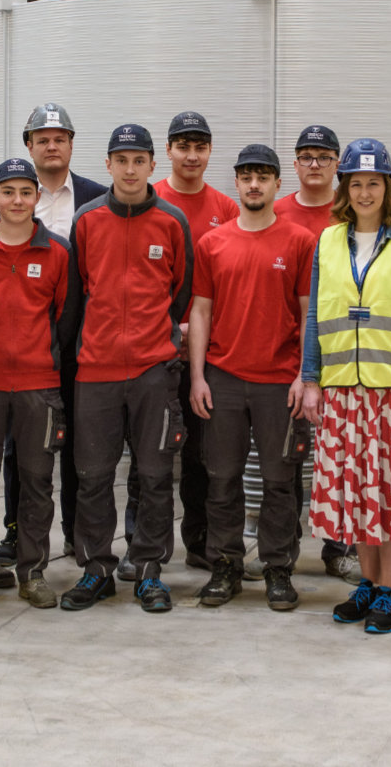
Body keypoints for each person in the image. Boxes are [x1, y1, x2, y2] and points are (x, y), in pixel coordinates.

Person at [300, 138, 391, 636]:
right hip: (343, 391)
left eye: (373, 184)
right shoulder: (327, 242)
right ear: (345, 188)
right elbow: (316, 314)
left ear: (388, 187)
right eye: (356, 184)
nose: (364, 193)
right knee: (358, 494)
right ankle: (366, 582)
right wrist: (311, 378)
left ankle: (388, 590)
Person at [60, 123, 192, 613]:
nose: (131, 169)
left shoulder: (173, 222)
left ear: (153, 166)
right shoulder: (88, 220)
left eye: (140, 160)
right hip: (94, 372)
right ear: (109, 165)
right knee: (92, 475)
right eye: (122, 160)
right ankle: (96, 568)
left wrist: (154, 341)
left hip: (154, 371)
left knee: (155, 474)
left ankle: (150, 570)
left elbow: (179, 294)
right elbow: (74, 296)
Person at [187, 144, 316, 610]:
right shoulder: (212, 243)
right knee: (222, 478)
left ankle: (279, 567)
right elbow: (201, 311)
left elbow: (308, 314)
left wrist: (305, 374)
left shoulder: (300, 241)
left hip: (279, 382)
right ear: (237, 184)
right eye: (246, 177)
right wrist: (197, 377)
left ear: (278, 184)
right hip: (223, 377)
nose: (255, 184)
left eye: (264, 176)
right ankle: (226, 566)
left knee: (282, 480)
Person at [0, 157, 70, 612]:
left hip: (38, 385)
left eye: (26, 192)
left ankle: (33, 571)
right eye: (8, 192)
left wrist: (42, 362)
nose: (18, 200)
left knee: (37, 481)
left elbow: (63, 319)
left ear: (37, 198)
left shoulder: (58, 253)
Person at [131, 110, 238, 581]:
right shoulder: (152, 202)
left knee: (199, 455)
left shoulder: (226, 208)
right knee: (146, 454)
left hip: (205, 354)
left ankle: (198, 542)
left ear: (209, 152)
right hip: (154, 349)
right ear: (167, 153)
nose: (191, 155)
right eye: (182, 146)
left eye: (200, 147)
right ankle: (141, 547)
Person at [7, 102, 107, 566]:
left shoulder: (95, 197)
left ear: (71, 144)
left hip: (78, 344)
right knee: (19, 446)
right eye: (42, 138)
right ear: (28, 145)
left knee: (75, 444)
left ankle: (74, 532)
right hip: (20, 346)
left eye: (60, 137)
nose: (51, 145)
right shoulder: (8, 197)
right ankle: (16, 533)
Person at [272, 124, 358, 583]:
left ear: (337, 165)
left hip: (341, 353)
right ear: (295, 164)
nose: (314, 165)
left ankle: (339, 547)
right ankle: (283, 548)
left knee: (339, 456)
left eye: (324, 157)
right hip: (285, 356)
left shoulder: (350, 213)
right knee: (288, 458)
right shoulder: (278, 211)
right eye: (306, 156)